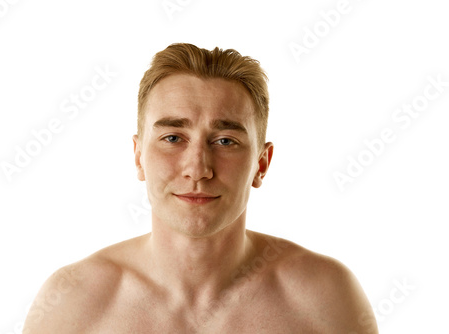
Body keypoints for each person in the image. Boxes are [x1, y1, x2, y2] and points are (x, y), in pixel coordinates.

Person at [23, 43, 378, 333]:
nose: (197, 169)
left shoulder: (326, 299)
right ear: (138, 157)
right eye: (173, 138)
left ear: (261, 164)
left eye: (225, 141)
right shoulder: (73, 303)